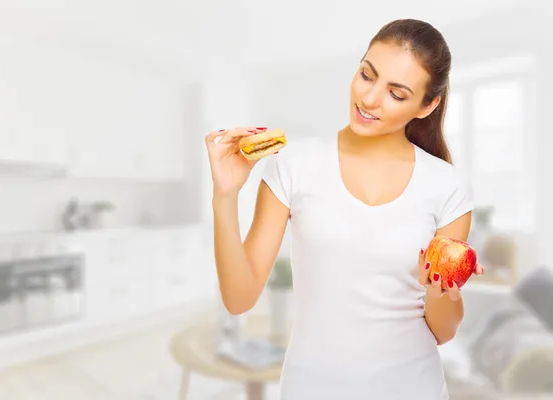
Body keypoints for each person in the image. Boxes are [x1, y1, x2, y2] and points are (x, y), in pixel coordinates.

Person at [205, 18, 485, 400]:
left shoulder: (447, 186)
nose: (369, 98)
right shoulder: (293, 165)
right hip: (310, 386)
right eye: (367, 75)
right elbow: (239, 299)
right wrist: (225, 195)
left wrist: (442, 290)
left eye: (396, 94)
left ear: (427, 105)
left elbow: (443, 331)